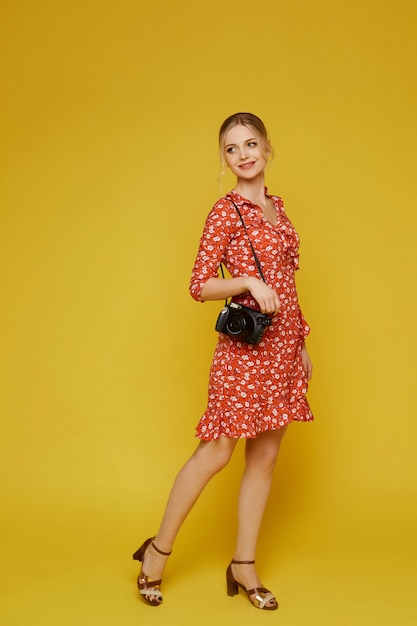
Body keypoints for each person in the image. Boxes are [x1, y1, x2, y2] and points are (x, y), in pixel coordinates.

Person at [133, 112, 314, 611]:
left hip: (282, 350)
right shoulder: (225, 212)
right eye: (232, 148)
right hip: (245, 354)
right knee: (215, 453)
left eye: (250, 143)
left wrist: (301, 344)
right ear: (224, 159)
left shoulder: (279, 210)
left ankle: (244, 564)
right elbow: (199, 285)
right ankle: (157, 552)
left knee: (266, 457)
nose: (243, 155)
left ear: (267, 147)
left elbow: (289, 287)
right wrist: (245, 283)